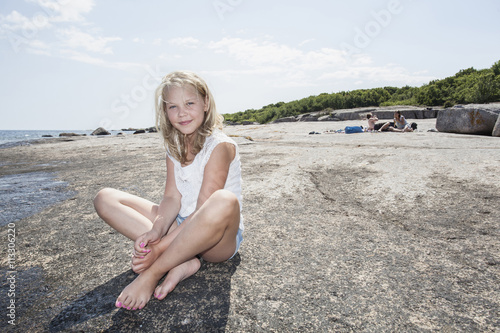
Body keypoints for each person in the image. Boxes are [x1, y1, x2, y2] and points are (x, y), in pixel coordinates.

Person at [93, 71, 244, 311]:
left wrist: (159, 250)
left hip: (216, 238)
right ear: (165, 111)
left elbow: (203, 209)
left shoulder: (220, 146)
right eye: (173, 106)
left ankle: (153, 273)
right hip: (180, 223)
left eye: (190, 103)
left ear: (206, 103)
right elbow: (172, 198)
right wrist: (157, 230)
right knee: (105, 198)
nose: (182, 113)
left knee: (222, 200)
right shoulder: (173, 147)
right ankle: (185, 261)